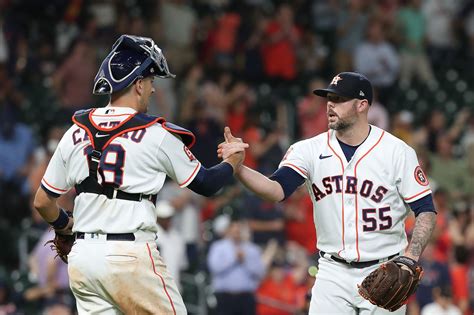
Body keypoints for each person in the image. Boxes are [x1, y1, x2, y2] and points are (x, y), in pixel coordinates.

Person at [33, 34, 246, 315]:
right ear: (137, 84)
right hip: (130, 256)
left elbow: (42, 202)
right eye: (151, 82)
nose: (153, 90)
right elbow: (206, 183)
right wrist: (233, 161)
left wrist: (64, 226)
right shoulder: (155, 134)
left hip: (84, 259)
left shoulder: (75, 131)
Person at [219, 71, 437, 314]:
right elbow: (275, 189)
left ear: (362, 105)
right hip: (332, 271)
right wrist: (238, 169)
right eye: (329, 98)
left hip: (385, 270)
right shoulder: (309, 149)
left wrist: (410, 257)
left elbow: (425, 210)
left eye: (340, 99)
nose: (330, 105)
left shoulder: (397, 151)